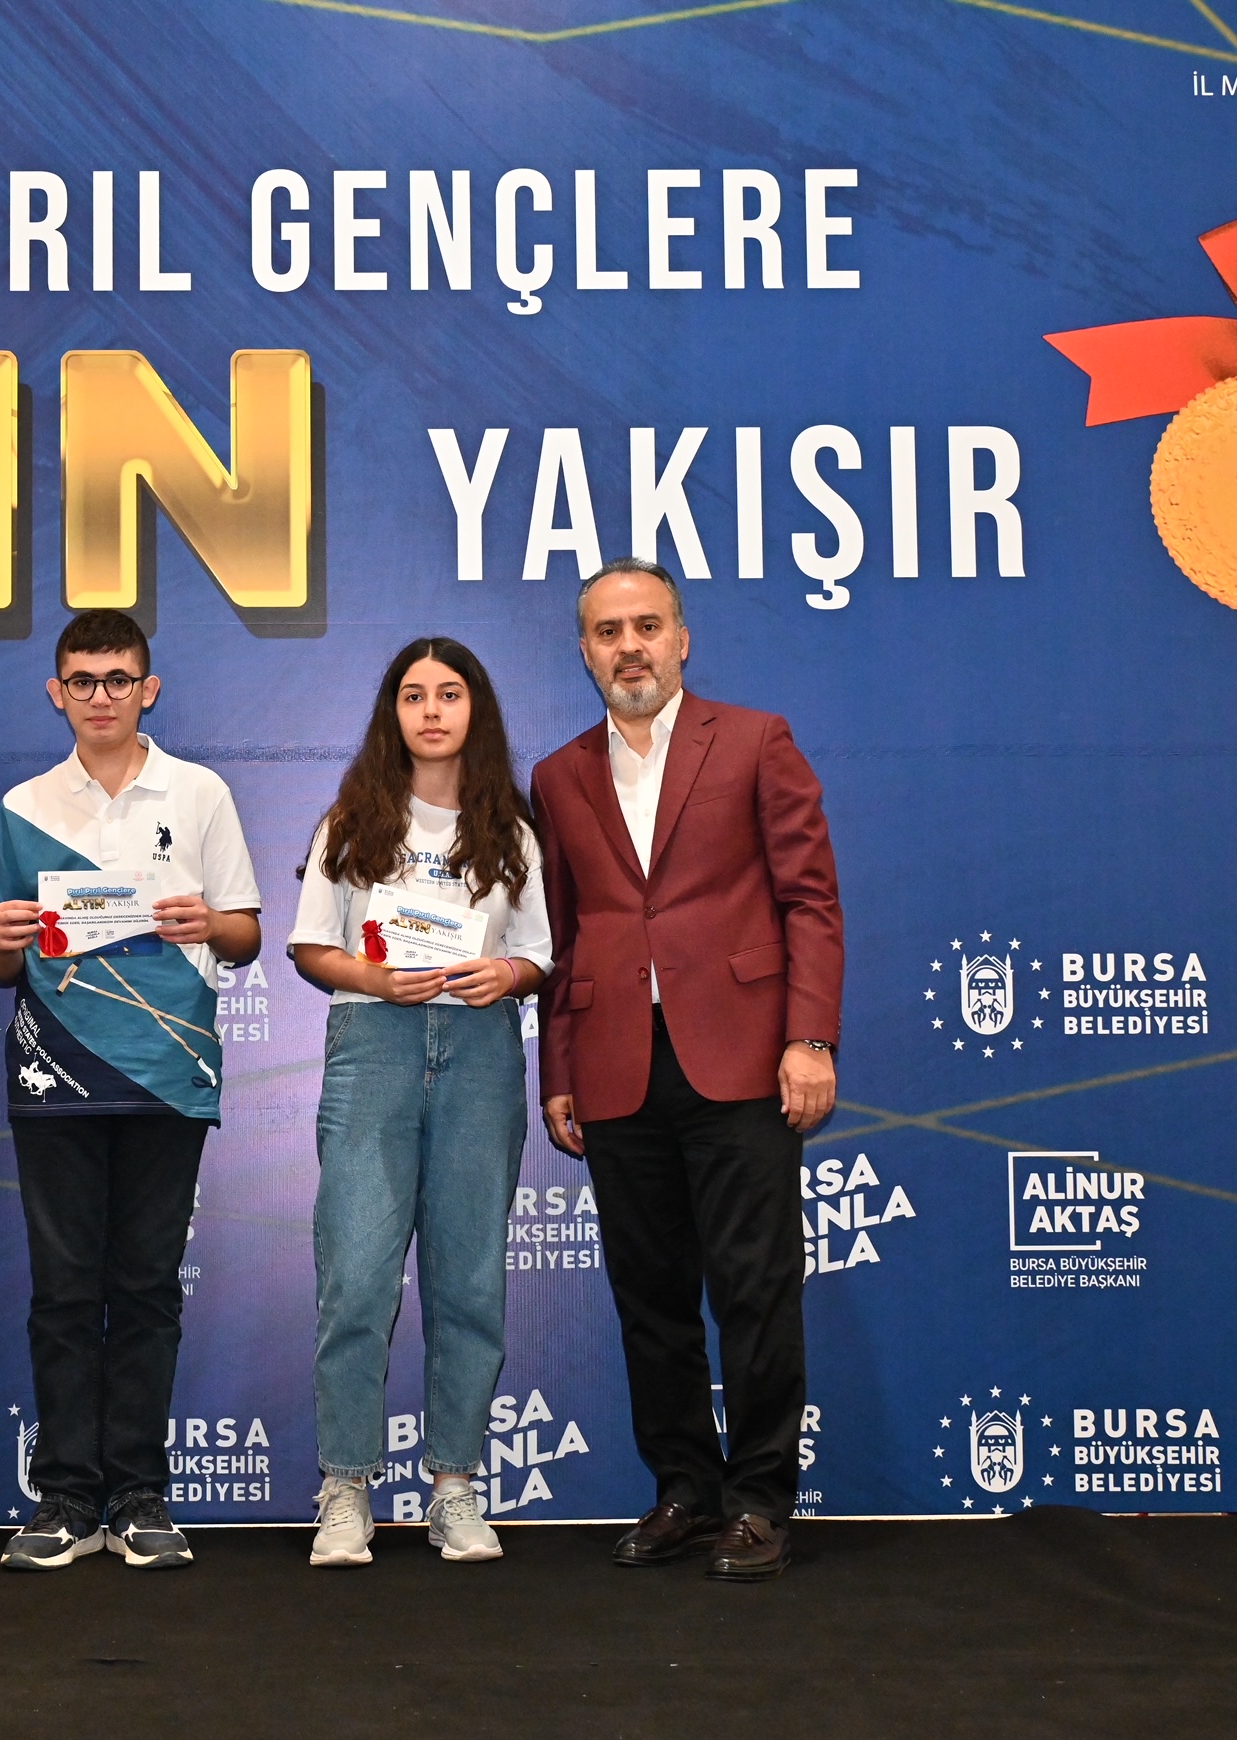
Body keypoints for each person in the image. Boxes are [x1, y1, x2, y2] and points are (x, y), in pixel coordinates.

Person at [531, 557, 843, 1583]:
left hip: (744, 1059)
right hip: (617, 1067)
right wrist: (560, 1068)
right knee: (651, 1297)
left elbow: (810, 901)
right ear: (585, 651)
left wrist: (810, 1037)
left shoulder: (755, 740)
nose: (629, 647)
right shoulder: (558, 776)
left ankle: (758, 1501)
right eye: (608, 631)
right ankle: (683, 1491)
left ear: (682, 639)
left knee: (755, 1290)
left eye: (647, 626)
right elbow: (564, 935)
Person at [0, 609, 262, 1570]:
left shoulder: (201, 791)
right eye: (82, 680)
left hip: (166, 1074)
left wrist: (204, 922)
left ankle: (139, 1493)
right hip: (54, 1070)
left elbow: (246, 933)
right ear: (56, 693)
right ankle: (64, 1497)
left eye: (118, 678)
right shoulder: (23, 805)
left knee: (145, 1290)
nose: (100, 696)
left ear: (149, 688)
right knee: (64, 1293)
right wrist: (4, 939)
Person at [286, 638, 552, 1568]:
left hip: (480, 1050)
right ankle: (344, 1489)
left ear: (476, 710)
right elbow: (310, 945)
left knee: (469, 1279)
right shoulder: (351, 822)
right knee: (357, 1276)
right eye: (412, 695)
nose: (431, 711)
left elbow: (539, 952)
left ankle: (455, 1487)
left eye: (448, 694)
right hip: (375, 1043)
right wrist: (374, 977)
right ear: (391, 713)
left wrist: (506, 975)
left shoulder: (511, 831)